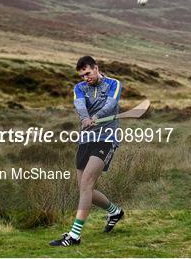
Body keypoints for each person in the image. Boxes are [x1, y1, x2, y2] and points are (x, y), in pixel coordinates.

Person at [50, 56, 124, 247]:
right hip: (86, 139)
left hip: (106, 138)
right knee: (84, 188)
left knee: (87, 184)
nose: (86, 78)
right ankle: (115, 211)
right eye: (82, 75)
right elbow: (79, 104)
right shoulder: (79, 88)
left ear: (96, 68)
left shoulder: (113, 84)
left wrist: (96, 117)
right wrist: (84, 119)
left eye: (88, 73)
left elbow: (112, 104)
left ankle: (74, 236)